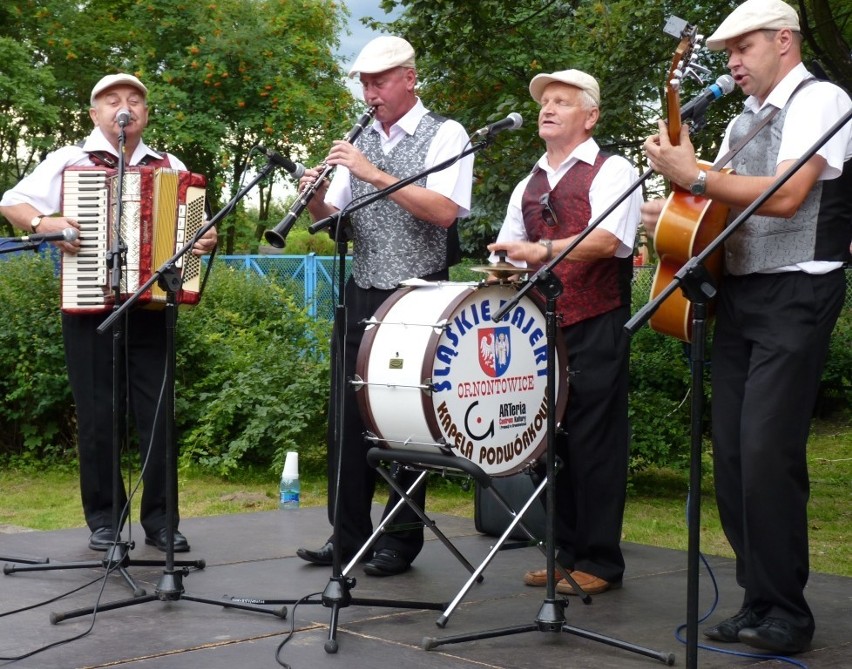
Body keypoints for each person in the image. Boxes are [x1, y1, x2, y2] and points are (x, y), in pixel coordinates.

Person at [642, 0, 851, 655]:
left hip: (799, 289)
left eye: (744, 48)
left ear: (784, 41)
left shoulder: (822, 101)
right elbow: (715, 206)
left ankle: (788, 611)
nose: (732, 61)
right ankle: (758, 599)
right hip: (742, 294)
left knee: (766, 451)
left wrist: (695, 175)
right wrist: (675, 207)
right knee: (731, 455)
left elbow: (787, 195)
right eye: (727, 50)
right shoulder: (739, 123)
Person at [0, 73, 218, 553]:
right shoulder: (69, 160)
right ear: (96, 114)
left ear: (145, 112)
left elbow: (192, 237)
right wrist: (44, 221)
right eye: (113, 100)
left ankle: (161, 522)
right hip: (88, 302)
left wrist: (203, 240)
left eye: (135, 100)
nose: (126, 108)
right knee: (98, 414)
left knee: (157, 413)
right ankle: (104, 520)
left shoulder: (170, 165)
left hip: (151, 303)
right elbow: (11, 201)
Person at [294, 36, 474, 576]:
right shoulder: (360, 139)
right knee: (348, 419)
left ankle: (399, 541)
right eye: (364, 84)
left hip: (420, 297)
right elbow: (336, 225)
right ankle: (346, 537)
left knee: (402, 423)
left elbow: (444, 211)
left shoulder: (446, 134)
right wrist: (317, 198)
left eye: (379, 82)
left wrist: (372, 172)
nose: (369, 93)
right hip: (364, 288)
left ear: (409, 78)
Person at [488, 69, 641, 596]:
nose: (547, 108)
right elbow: (510, 251)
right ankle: (564, 553)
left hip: (597, 319)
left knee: (595, 442)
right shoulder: (528, 182)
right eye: (544, 101)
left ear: (590, 116)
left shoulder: (613, 168)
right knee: (550, 442)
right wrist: (496, 277)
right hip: (540, 331)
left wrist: (543, 251)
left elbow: (608, 241)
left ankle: (600, 560)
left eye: (561, 101)